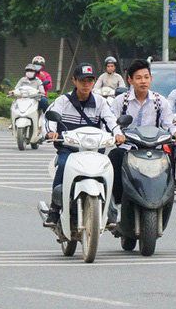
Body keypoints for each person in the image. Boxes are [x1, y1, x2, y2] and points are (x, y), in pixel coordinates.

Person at [42, 63, 125, 226]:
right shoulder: (63, 101)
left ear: (94, 82)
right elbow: (49, 118)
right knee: (64, 165)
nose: (86, 84)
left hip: (95, 151)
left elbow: (111, 120)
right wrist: (51, 133)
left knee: (107, 169)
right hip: (69, 150)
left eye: (90, 80)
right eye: (82, 80)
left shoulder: (101, 102)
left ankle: (109, 209)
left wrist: (118, 134)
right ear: (74, 80)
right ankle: (54, 209)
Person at [108, 59, 176, 206]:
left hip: (153, 150)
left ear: (151, 79)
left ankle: (166, 199)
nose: (143, 81)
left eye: (146, 77)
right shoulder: (120, 101)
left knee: (169, 159)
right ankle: (116, 203)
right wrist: (116, 135)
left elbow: (171, 121)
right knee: (114, 156)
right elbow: (110, 121)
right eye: (138, 78)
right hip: (127, 150)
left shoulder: (159, 101)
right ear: (130, 80)